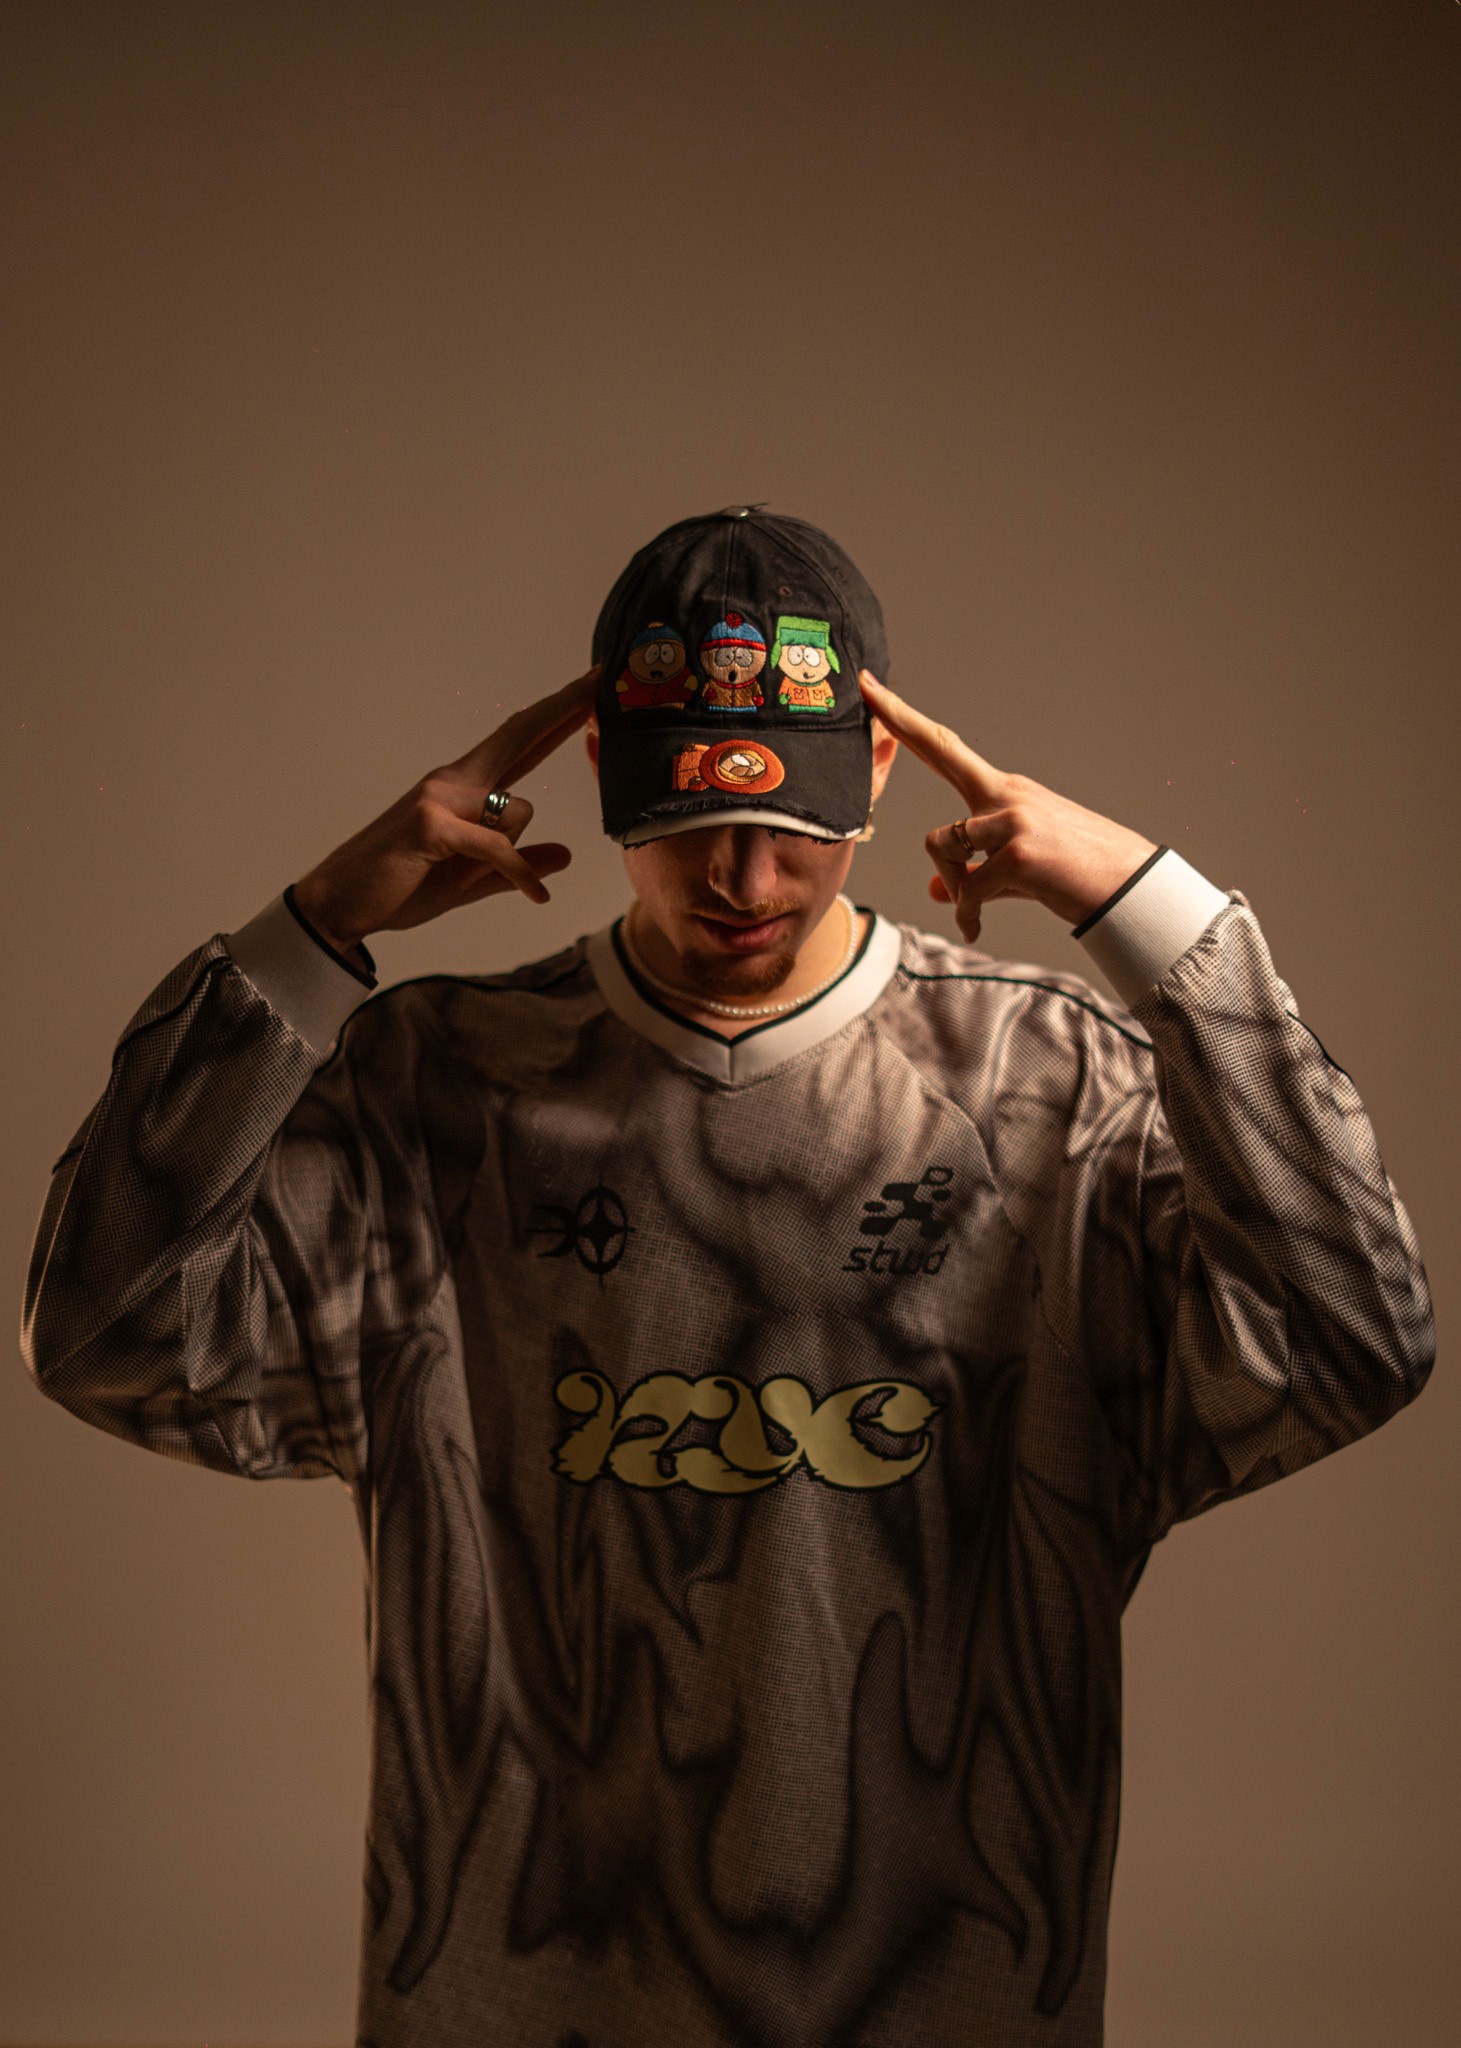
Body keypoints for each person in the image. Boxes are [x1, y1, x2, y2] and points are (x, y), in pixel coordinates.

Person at [22, 507, 1433, 2048]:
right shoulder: (441, 1087)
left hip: (947, 1987)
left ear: (877, 773)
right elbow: (102, 1330)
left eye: (794, 818)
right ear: (601, 777)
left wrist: (1167, 922)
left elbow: (1353, 1334)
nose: (743, 875)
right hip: (521, 1987)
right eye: (687, 814)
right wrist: (313, 930)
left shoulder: (1053, 1088)